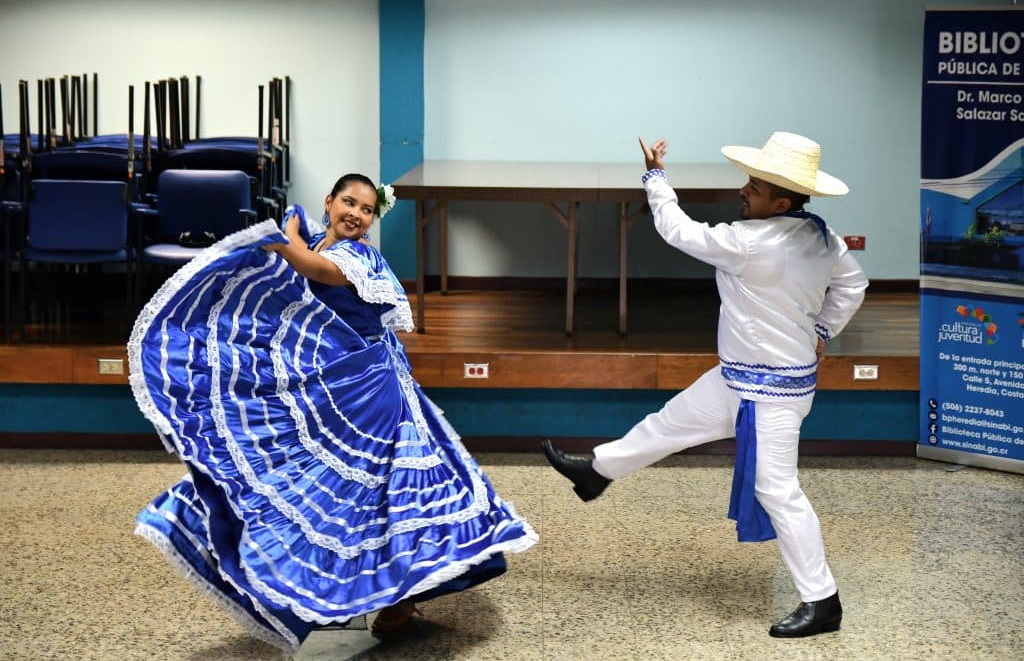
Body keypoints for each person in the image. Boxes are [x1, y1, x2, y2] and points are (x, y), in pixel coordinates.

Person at [131, 173, 537, 653]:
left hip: (371, 393)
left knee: (385, 493)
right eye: (349, 202)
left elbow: (319, 272)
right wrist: (284, 242)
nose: (356, 214)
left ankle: (399, 596)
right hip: (334, 384)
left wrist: (283, 242)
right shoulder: (318, 239)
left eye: (366, 210)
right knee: (336, 488)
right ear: (330, 201)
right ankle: (381, 591)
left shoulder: (357, 256)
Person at [543, 132, 868, 638]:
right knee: (669, 423)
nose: (743, 191)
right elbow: (854, 284)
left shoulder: (751, 243)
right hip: (738, 376)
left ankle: (822, 600)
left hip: (772, 395)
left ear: (780, 202)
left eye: (754, 187)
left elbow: (676, 229)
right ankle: (598, 471)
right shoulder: (821, 236)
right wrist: (824, 327)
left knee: (778, 491)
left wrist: (655, 177)